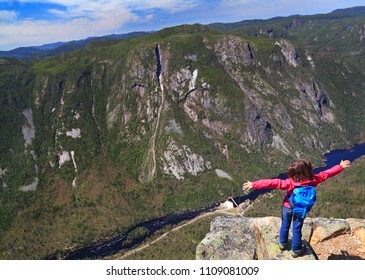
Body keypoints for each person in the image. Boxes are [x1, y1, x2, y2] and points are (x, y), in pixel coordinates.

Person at [242, 159, 351, 258]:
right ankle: (296, 250)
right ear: (308, 171)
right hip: (300, 210)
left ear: (293, 173)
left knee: (285, 224)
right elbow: (327, 173)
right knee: (296, 229)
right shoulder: (314, 180)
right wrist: (340, 166)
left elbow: (273, 182)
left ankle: (282, 244)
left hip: (287, 207)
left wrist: (254, 184)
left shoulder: (289, 182)